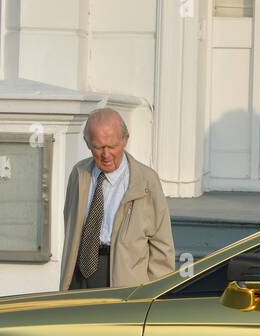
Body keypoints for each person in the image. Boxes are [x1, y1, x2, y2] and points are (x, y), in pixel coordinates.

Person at [60, 108, 175, 290]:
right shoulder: (79, 174)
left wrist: (156, 293)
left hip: (124, 279)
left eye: (112, 146)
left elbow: (161, 245)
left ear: (125, 140)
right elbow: (70, 224)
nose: (106, 155)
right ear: (87, 143)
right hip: (79, 275)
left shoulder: (146, 181)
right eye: (98, 147)